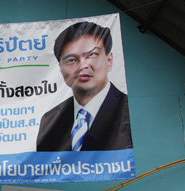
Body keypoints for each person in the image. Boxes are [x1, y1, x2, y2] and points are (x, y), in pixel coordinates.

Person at [37, 21, 133, 151]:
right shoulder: (50, 121)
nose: (83, 66)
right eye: (71, 60)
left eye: (92, 55)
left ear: (109, 61)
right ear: (60, 70)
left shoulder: (125, 109)